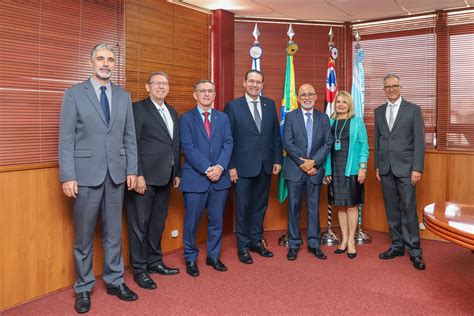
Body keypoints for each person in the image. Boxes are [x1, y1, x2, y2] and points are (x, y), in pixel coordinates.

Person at [59, 43, 138, 314]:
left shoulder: (123, 96)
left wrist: (132, 170)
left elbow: (130, 137)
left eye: (110, 59)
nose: (106, 63)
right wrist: (67, 175)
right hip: (85, 176)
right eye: (101, 59)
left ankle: (115, 280)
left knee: (114, 233)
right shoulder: (73, 94)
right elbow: (66, 139)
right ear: (91, 62)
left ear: (115, 64)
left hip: (116, 174)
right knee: (83, 236)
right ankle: (83, 287)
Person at [126, 72, 180, 290]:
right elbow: (132, 143)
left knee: (158, 223)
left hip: (166, 177)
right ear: (148, 87)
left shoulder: (172, 111)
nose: (161, 87)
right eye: (157, 83)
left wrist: (177, 172)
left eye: (165, 84)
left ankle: (155, 261)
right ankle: (140, 270)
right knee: (139, 225)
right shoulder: (138, 109)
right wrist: (137, 174)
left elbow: (174, 145)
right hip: (143, 179)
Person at [224, 69, 282, 264]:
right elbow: (228, 139)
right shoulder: (233, 107)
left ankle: (256, 241)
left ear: (262, 85)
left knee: (260, 206)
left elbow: (275, 135)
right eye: (251, 81)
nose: (254, 85)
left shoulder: (269, 104)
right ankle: (243, 246)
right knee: (243, 207)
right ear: (244, 82)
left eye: (258, 82)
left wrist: (277, 160)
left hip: (265, 166)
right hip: (241, 168)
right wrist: (230, 166)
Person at [179, 80, 233, 277]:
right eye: (202, 91)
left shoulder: (223, 118)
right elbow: (188, 148)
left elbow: (228, 143)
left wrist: (219, 167)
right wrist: (208, 168)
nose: (206, 94)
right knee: (192, 223)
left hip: (220, 179)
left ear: (214, 94)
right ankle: (191, 259)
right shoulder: (186, 119)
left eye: (210, 91)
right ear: (195, 95)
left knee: (216, 221)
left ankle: (213, 256)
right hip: (195, 179)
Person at [374, 73, 426, 270]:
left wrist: (417, 168)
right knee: (392, 210)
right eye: (387, 86)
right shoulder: (379, 112)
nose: (391, 89)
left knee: (409, 210)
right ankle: (396, 246)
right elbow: (378, 141)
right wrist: (377, 166)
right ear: (384, 89)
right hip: (385, 168)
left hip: (406, 169)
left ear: (401, 87)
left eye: (394, 86)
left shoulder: (413, 110)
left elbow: (419, 142)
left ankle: (414, 250)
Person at [282, 84, 332, 261]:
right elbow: (287, 142)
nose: (307, 97)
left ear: (316, 96)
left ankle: (314, 244)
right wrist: (303, 163)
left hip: (315, 170)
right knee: (294, 208)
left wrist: (314, 163)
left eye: (310, 94)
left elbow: (328, 143)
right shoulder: (290, 117)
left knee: (313, 208)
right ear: (297, 97)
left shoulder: (324, 117)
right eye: (303, 94)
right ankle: (294, 244)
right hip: (295, 169)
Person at [324, 91, 369, 259]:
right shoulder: (330, 122)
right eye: (338, 101)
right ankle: (343, 239)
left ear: (350, 104)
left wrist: (363, 167)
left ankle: (351, 241)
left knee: (351, 205)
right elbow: (326, 148)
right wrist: (327, 170)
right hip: (334, 168)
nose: (341, 104)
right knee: (340, 205)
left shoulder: (357, 122)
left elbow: (364, 146)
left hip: (352, 169)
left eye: (344, 102)